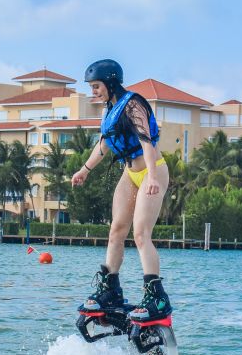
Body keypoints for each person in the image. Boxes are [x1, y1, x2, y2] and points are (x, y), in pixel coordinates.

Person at [72, 59, 171, 321]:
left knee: (140, 234)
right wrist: (84, 170)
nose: (93, 91)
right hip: (130, 173)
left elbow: (146, 140)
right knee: (116, 230)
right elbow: (104, 145)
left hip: (153, 171)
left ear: (111, 82)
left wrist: (150, 177)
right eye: (91, 87)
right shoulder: (110, 110)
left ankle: (156, 299)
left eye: (96, 86)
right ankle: (110, 291)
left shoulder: (132, 104)